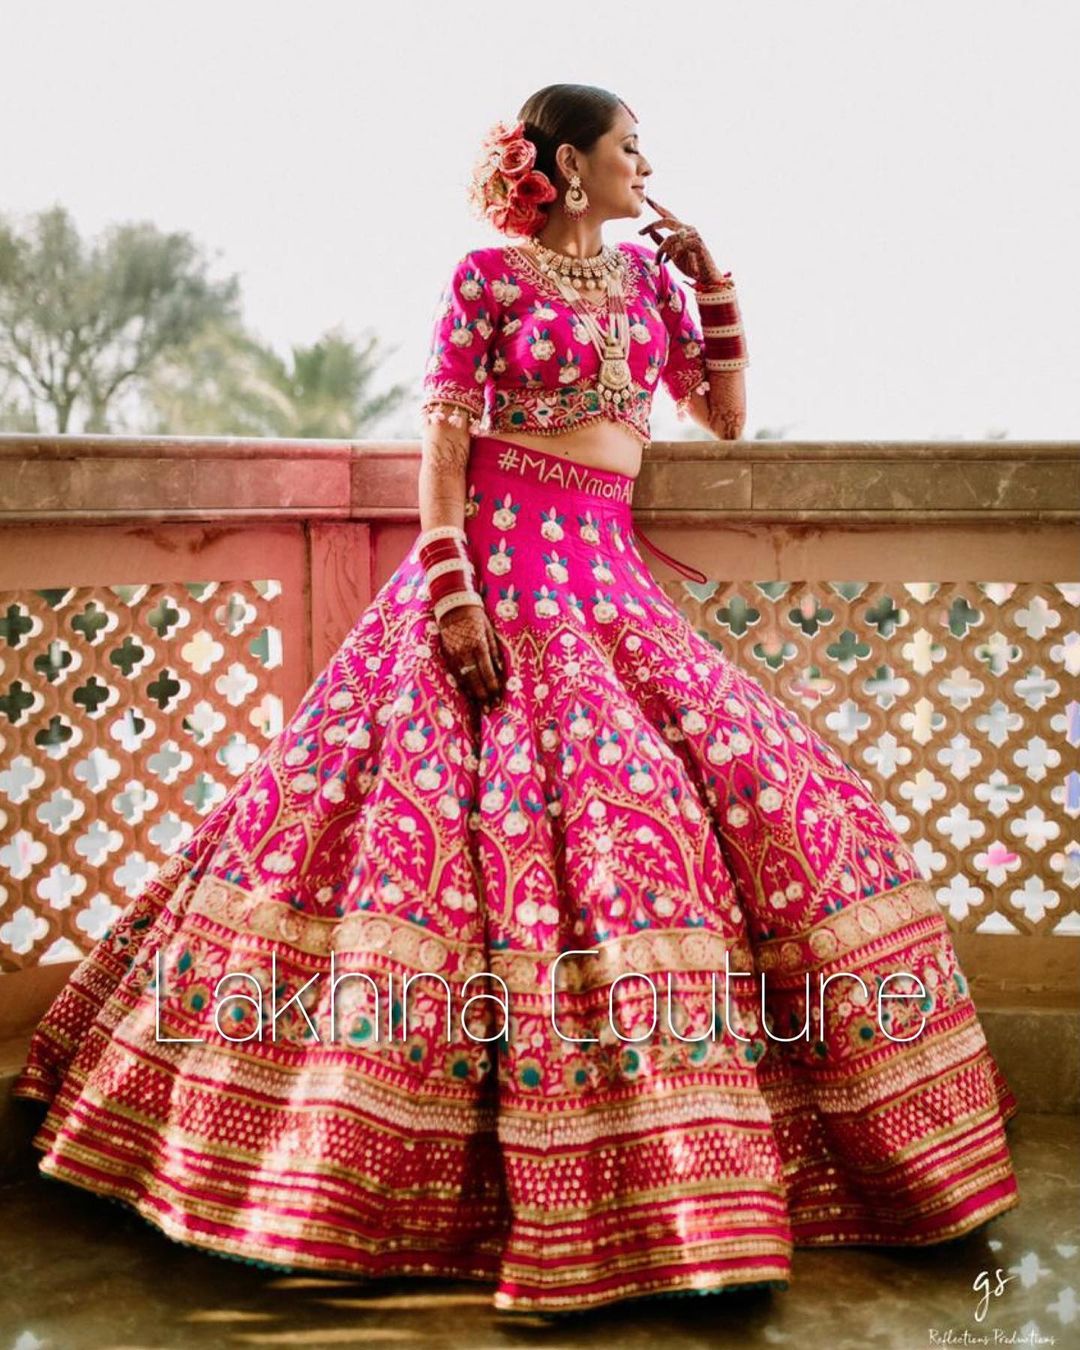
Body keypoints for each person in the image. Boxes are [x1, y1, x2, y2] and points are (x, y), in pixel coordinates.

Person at [11, 82, 1019, 1318]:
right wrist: (453, 595)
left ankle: (703, 1175)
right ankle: (335, 1171)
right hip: (495, 577)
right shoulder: (486, 278)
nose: (647, 163)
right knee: (404, 848)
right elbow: (441, 446)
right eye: (629, 146)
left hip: (610, 589)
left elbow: (723, 417)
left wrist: (714, 285)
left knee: (774, 802)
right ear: (566, 164)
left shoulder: (648, 286)